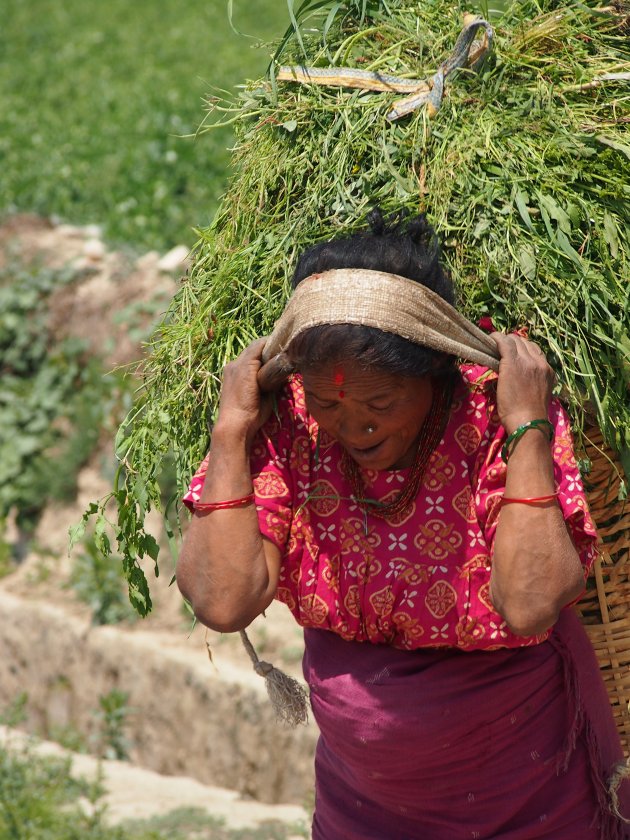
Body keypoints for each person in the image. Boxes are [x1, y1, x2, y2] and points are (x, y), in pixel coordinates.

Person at [177, 211, 629, 839]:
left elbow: (530, 605)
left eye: (380, 404)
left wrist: (527, 425)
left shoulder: (490, 414)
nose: (353, 425)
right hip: (363, 804)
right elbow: (222, 602)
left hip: (525, 794)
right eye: (331, 401)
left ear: (435, 373)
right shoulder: (291, 423)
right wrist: (230, 431)